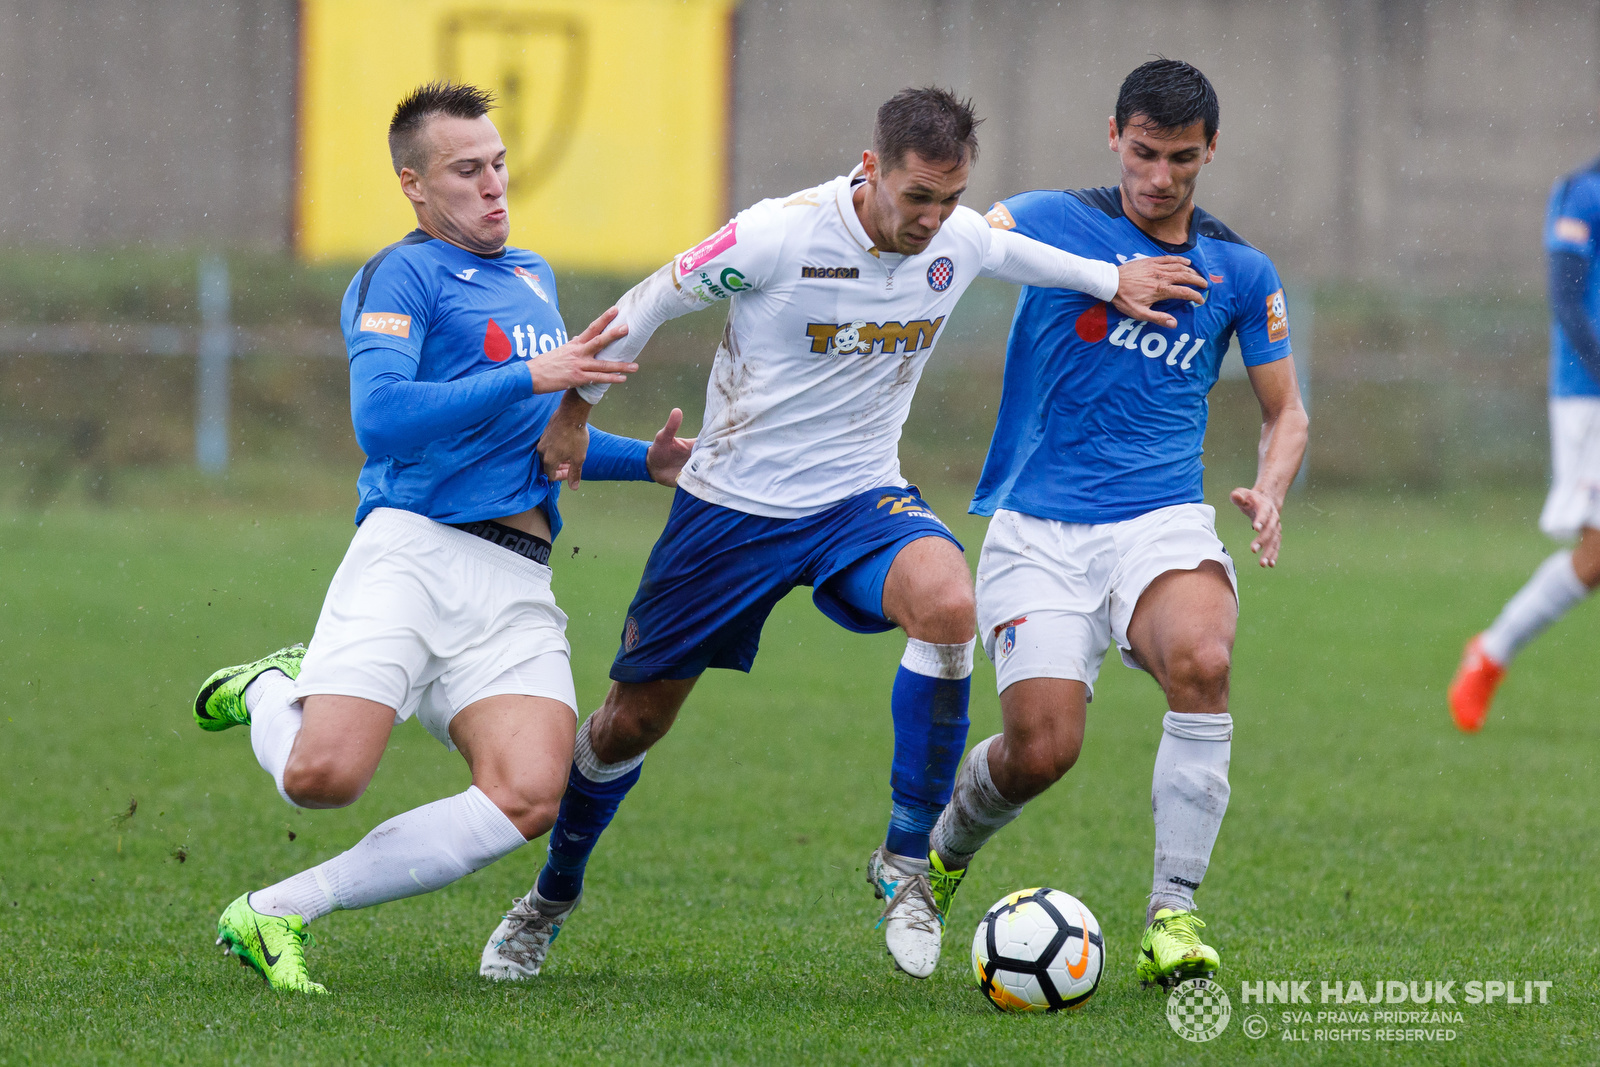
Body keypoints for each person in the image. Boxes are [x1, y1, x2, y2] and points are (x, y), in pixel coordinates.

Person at [475, 86, 1207, 982]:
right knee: (630, 722)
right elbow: (648, 302)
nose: (935, 221)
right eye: (918, 198)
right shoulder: (775, 236)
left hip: (860, 498)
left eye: (950, 198)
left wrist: (1111, 278)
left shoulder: (959, 239)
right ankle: (548, 899)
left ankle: (905, 866)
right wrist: (573, 413)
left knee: (947, 601)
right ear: (872, 170)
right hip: (730, 510)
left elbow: (1014, 252)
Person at [189, 81, 692, 994]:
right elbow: (381, 418)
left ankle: (275, 909)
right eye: (468, 170)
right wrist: (530, 374)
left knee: (531, 793)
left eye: (499, 164)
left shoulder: (531, 275)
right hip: (414, 553)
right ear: (415, 185)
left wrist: (645, 464)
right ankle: (267, 687)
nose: (494, 185)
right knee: (322, 779)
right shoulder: (402, 275)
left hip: (518, 579)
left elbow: (536, 439)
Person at [922, 59, 1308, 988]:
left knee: (1204, 660)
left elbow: (1285, 410)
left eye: (1181, 157)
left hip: (1161, 522)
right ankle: (938, 854)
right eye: (1143, 152)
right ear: (1113, 136)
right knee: (1041, 749)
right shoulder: (1054, 219)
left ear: (1210, 150)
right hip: (1038, 529)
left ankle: (1172, 914)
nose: (1160, 176)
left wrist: (1271, 485)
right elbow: (966, 236)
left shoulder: (1240, 272)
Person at [1448, 155, 1600, 731]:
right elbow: (1567, 300)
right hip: (1591, 396)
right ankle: (1491, 651)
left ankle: (1492, 651)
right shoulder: (1586, 193)